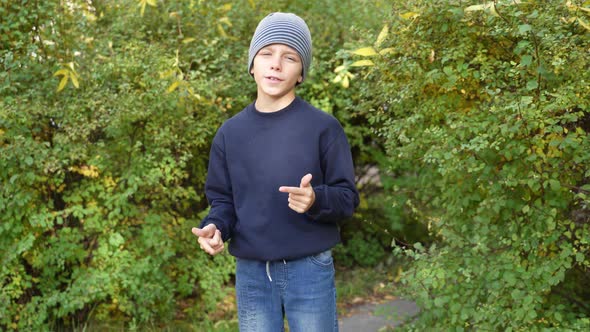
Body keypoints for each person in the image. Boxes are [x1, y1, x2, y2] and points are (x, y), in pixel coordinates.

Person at [191, 12, 359, 332]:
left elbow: (347, 198)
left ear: (300, 74)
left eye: (290, 57)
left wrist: (315, 199)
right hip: (252, 273)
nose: (276, 64)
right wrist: (215, 227)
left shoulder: (323, 129)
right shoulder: (230, 134)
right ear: (253, 65)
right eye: (266, 53)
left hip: (309, 269)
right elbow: (223, 202)